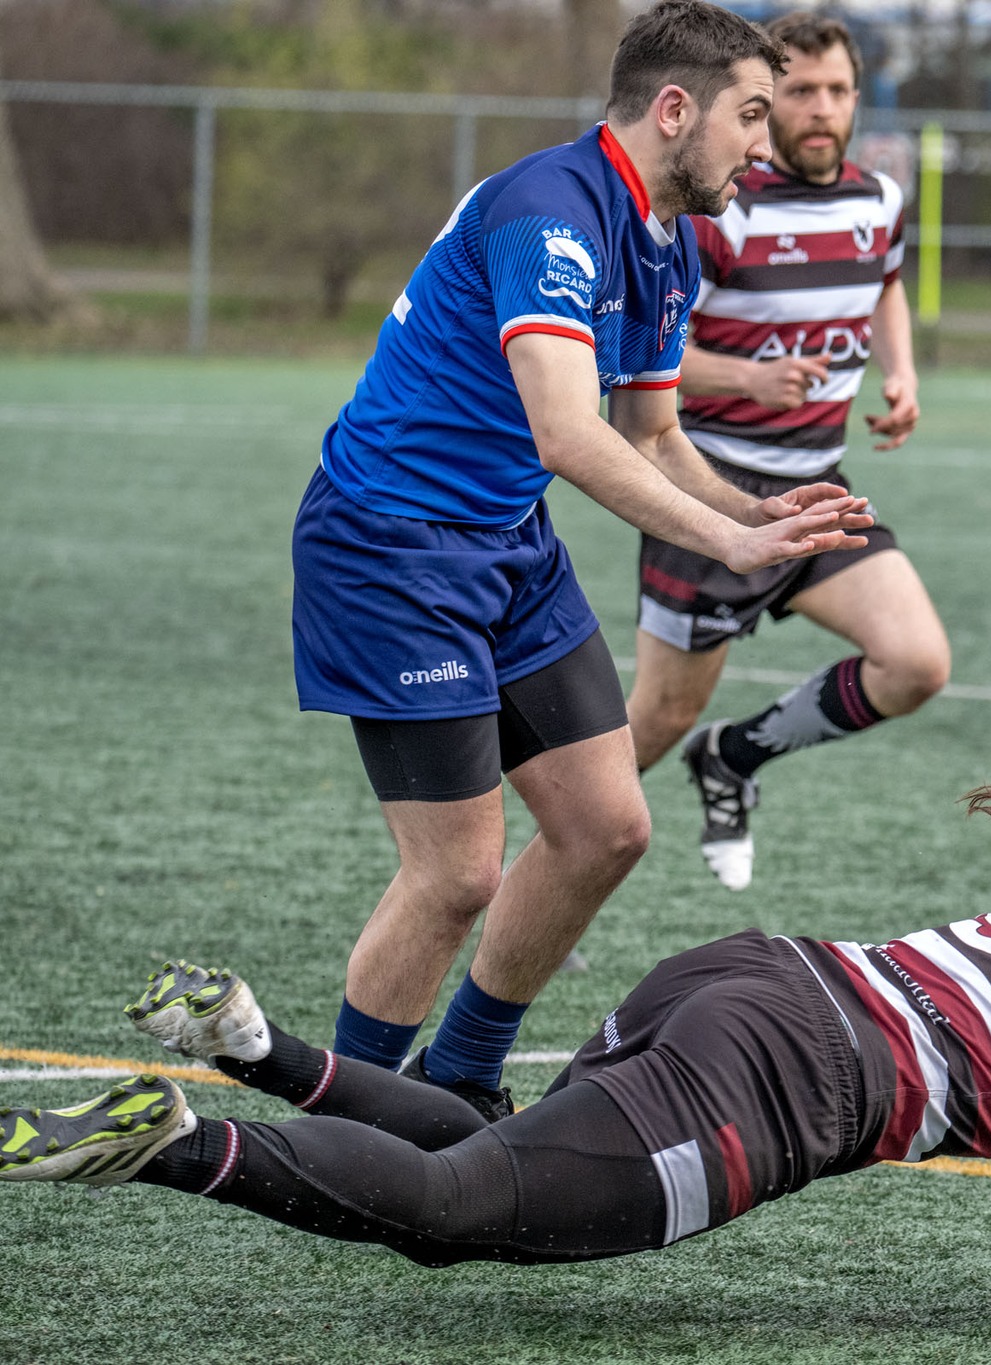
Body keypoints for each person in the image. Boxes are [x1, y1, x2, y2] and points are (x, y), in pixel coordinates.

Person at [2, 717, 991, 1286]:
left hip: (755, 977)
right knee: (453, 1221)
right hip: (792, 1079)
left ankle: (256, 1048)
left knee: (501, 1144)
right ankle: (178, 1138)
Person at [290, 1, 873, 1117]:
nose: (764, 140)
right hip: (390, 547)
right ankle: (345, 1128)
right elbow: (569, 432)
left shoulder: (663, 239)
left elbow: (653, 434)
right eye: (750, 113)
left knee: (606, 828)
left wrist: (758, 508)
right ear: (672, 110)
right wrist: (732, 538)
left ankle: (461, 1078)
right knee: (455, 873)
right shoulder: (549, 213)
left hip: (507, 542)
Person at [627, 11, 946, 894]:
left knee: (917, 663)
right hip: (709, 498)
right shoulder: (721, 211)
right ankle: (537, 866)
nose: (821, 109)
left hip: (816, 490)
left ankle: (733, 756)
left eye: (838, 91)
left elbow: (884, 286)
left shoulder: (877, 200)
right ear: (763, 105)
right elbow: (643, 356)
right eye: (798, 92)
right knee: (652, 718)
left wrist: (903, 373)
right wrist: (746, 377)